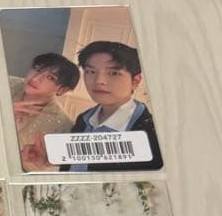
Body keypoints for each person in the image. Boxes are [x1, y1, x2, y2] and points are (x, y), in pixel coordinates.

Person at [64, 41, 163, 173]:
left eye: (113, 73)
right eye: (91, 71)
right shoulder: (84, 119)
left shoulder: (154, 135)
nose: (99, 81)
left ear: (135, 81)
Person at [8, 52, 79, 171]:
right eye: (37, 69)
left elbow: (58, 169)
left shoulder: (62, 125)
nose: (35, 78)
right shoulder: (4, 84)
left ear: (62, 90)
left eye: (50, 77)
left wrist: (43, 162)